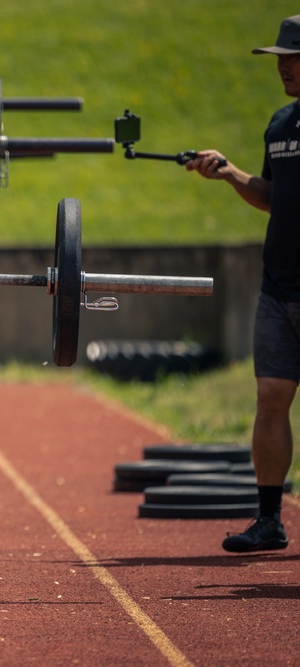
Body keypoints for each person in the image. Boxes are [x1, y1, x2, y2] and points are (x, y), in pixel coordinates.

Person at [185, 14, 300, 553]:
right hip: (278, 287)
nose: (283, 68)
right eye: (280, 59)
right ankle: (271, 521)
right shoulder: (279, 126)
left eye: (292, 59)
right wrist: (229, 173)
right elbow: (272, 197)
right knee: (270, 399)